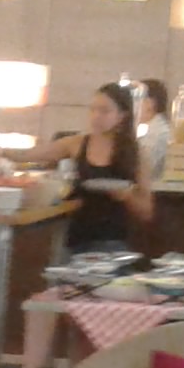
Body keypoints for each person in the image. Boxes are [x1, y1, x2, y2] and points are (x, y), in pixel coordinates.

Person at [22, 82, 154, 255]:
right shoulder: (78, 143)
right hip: (75, 238)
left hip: (114, 242)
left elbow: (146, 211)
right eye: (93, 110)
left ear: (122, 116)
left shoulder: (135, 152)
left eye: (104, 111)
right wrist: (2, 152)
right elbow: (35, 154)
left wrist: (127, 196)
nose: (96, 116)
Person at [134, 78, 171, 179]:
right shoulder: (146, 129)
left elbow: (142, 168)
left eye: (136, 99)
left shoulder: (157, 133)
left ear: (150, 103)